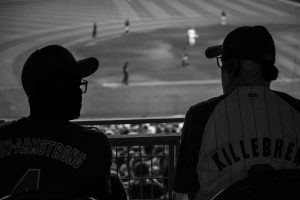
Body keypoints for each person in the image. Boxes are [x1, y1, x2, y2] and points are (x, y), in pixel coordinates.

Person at [172, 25, 300, 200]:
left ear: (234, 66)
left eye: (223, 61)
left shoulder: (200, 116)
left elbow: (188, 189)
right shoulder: (297, 111)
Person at [0, 45, 112, 199]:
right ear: (57, 88)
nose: (79, 91)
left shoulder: (3, 137)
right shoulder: (92, 143)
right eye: (74, 84)